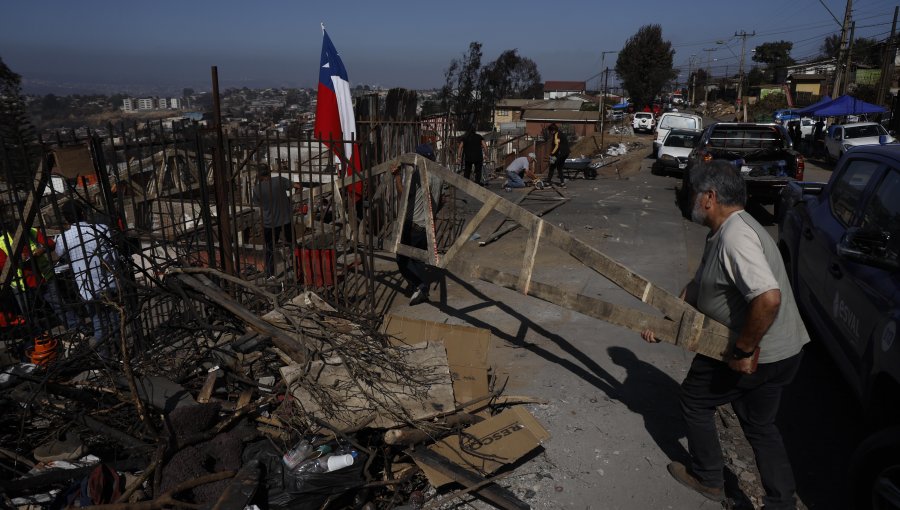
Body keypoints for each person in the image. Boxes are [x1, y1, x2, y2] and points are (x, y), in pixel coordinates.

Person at [640, 161, 809, 509]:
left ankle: (709, 478)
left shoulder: (736, 238)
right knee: (760, 425)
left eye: (694, 195)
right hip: (785, 351)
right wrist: (668, 319)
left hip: (754, 351)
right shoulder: (724, 230)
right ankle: (782, 502)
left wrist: (744, 349)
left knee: (694, 400)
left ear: (710, 198)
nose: (689, 201)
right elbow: (699, 285)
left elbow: (768, 298)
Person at [54, 202, 121, 352]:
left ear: (66, 219)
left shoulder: (63, 238)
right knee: (116, 321)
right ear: (83, 214)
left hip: (87, 288)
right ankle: (120, 353)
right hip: (108, 282)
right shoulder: (102, 229)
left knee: (99, 325)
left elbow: (60, 255)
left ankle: (106, 359)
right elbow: (114, 254)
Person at [0, 219, 79, 337]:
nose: (23, 236)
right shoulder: (2, 243)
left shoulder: (31, 231)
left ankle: (76, 327)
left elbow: (50, 243)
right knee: (30, 314)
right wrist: (15, 259)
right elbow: (3, 265)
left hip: (44, 277)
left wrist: (41, 250)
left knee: (59, 305)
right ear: (11, 233)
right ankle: (39, 337)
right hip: (22, 285)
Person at [391, 159, 443, 306]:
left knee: (402, 258)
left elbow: (404, 195)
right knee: (418, 258)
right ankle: (417, 285)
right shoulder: (438, 175)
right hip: (426, 225)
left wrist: (397, 177)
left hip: (413, 224)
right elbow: (442, 199)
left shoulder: (418, 174)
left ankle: (421, 287)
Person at [252, 164, 301, 278]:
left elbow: (257, 203)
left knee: (269, 248)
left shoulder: (256, 189)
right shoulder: (279, 180)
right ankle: (297, 268)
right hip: (286, 220)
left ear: (258, 175)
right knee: (293, 245)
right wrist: (292, 198)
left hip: (270, 223)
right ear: (269, 172)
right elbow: (298, 186)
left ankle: (270, 274)